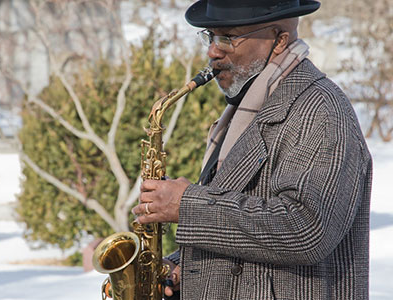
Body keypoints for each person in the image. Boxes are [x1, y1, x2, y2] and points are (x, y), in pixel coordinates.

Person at [132, 0, 372, 299]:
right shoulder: (249, 105)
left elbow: (306, 230)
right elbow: (244, 223)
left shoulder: (320, 109)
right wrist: (185, 267)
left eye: (227, 38)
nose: (212, 51)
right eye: (210, 36)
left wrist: (188, 206)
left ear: (279, 39)